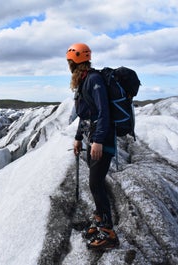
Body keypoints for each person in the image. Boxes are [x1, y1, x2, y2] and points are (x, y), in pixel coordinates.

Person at [66, 43, 119, 249]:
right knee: (95, 182)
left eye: (70, 61)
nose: (69, 65)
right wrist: (79, 138)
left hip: (101, 139)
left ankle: (108, 233)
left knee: (96, 183)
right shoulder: (84, 80)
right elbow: (85, 114)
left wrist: (97, 140)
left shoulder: (94, 80)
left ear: (75, 61)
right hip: (92, 137)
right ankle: (99, 220)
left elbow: (103, 112)